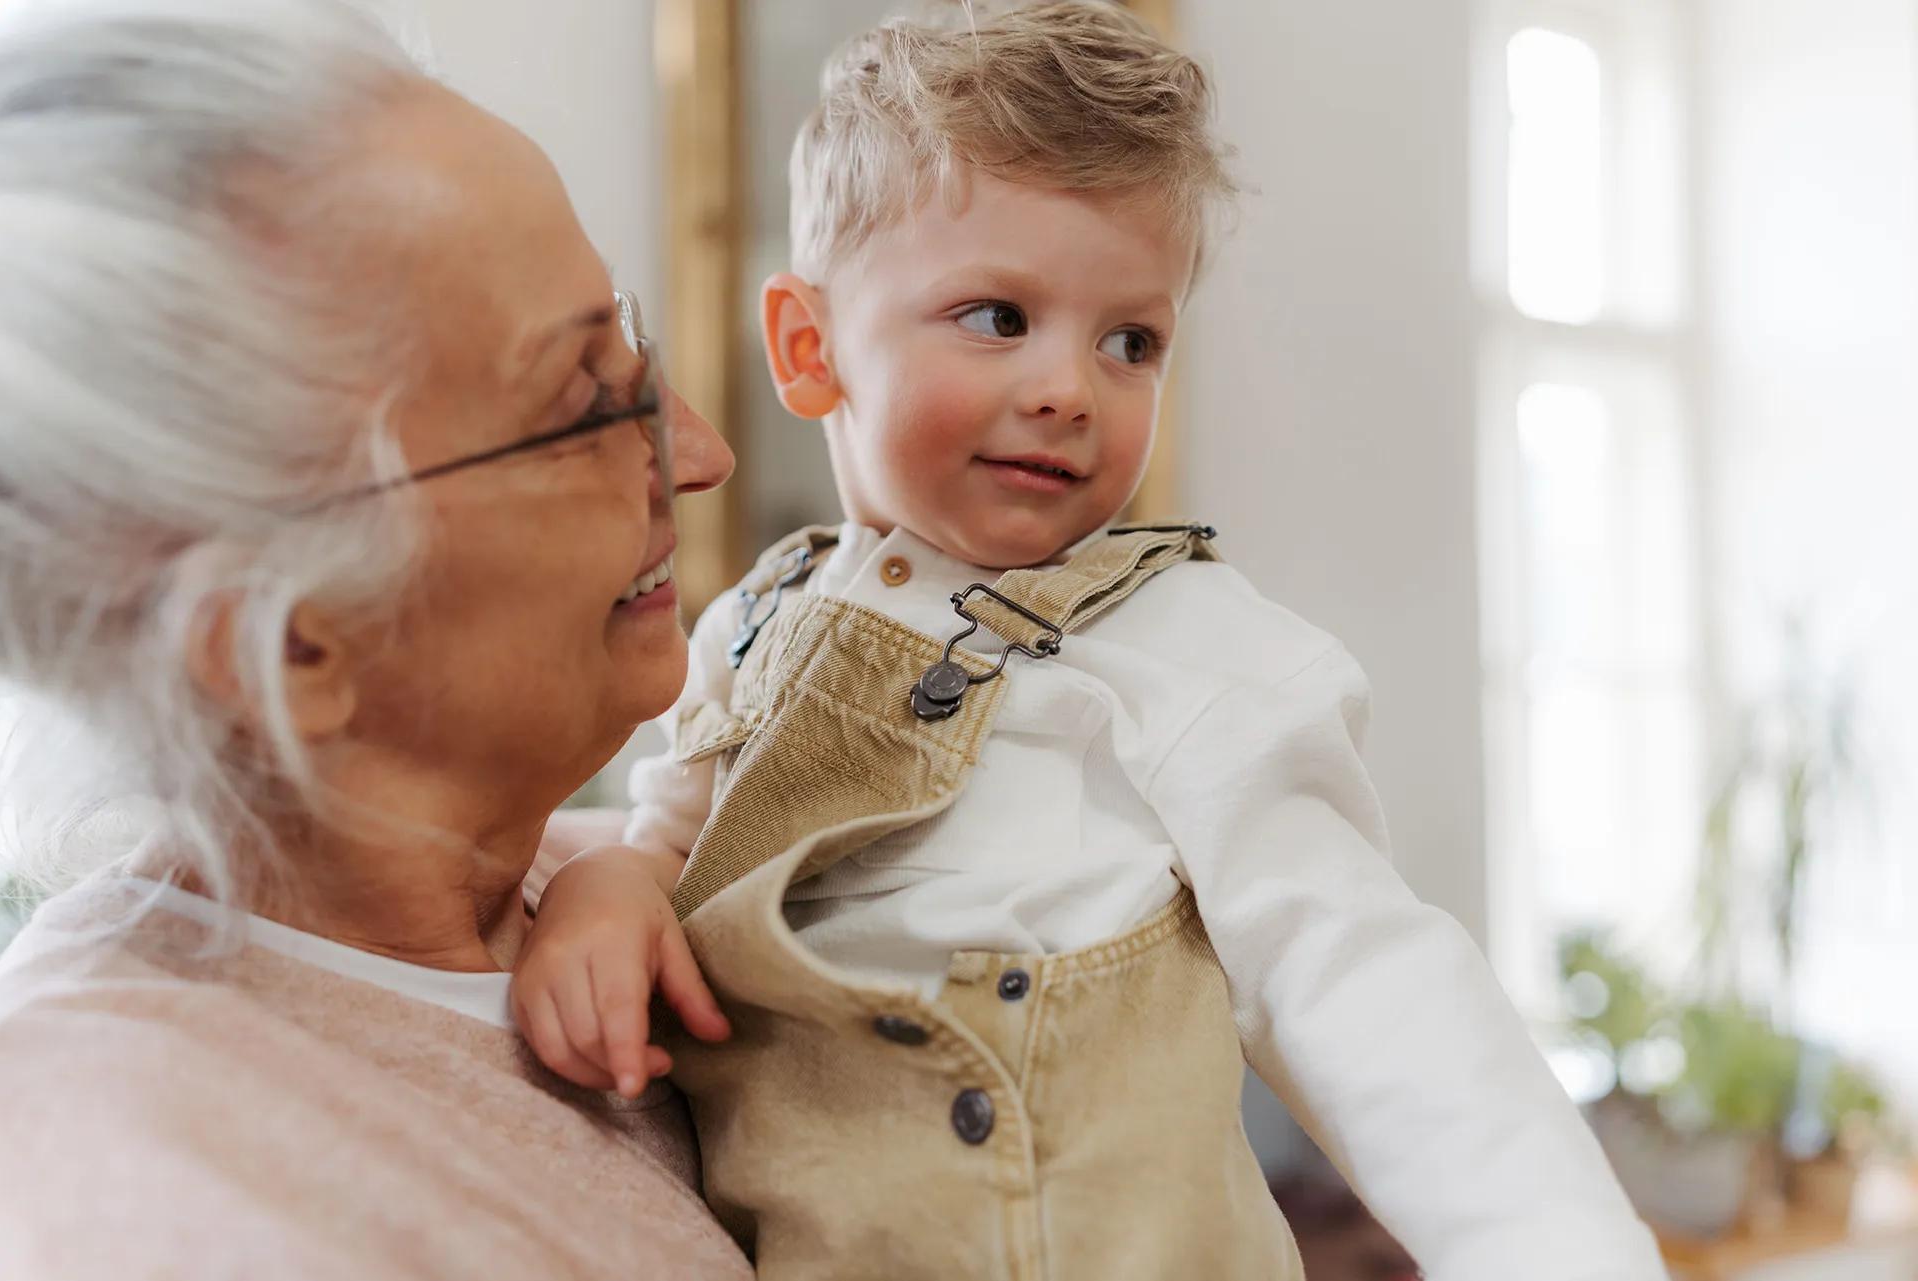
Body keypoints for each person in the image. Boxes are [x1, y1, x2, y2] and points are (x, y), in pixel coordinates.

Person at [515, 3, 1670, 1279]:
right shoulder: (745, 631)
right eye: (999, 318)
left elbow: (1366, 982)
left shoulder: (1193, 649)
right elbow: (662, 840)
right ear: (808, 347)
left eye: (1133, 340)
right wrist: (599, 897)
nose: (1073, 386)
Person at [0, 1, 749, 1276]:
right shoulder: (143, 1193)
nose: (704, 456)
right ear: (291, 647)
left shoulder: (641, 875)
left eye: (635, 350)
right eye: (584, 403)